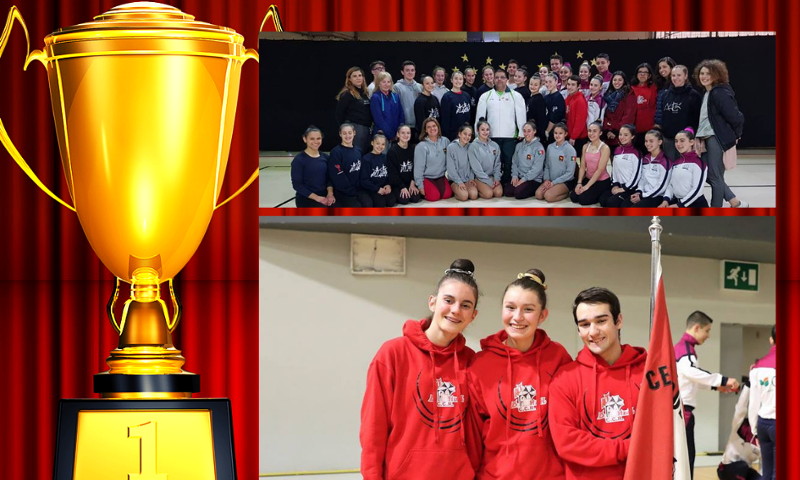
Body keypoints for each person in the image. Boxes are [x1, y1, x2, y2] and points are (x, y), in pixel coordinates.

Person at [360, 259, 481, 480]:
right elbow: (373, 429)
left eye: (465, 305)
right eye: (448, 300)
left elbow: (478, 433)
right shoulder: (393, 353)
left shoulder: (472, 362)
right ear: (433, 302)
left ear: (473, 315)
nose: (455, 310)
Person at [468, 269, 571, 480]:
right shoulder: (480, 365)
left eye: (528, 309)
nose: (517, 317)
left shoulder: (558, 357)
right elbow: (472, 439)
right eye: (510, 308)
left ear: (542, 315)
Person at [550, 287, 647, 480]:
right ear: (578, 330)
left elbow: (663, 431)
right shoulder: (565, 379)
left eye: (601, 321)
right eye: (584, 324)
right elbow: (568, 443)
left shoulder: (648, 373)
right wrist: (631, 448)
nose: (593, 332)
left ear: (618, 321)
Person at [674, 310, 741, 478]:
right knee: (686, 459)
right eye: (707, 330)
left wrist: (715, 387)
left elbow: (687, 379)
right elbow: (691, 372)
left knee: (684, 457)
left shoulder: (683, 348)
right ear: (697, 328)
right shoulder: (685, 351)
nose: (708, 335)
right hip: (683, 412)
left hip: (681, 410)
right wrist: (723, 380)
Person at [695, 59, 748, 208]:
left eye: (708, 74)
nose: (704, 76)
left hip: (715, 138)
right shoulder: (708, 92)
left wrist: (736, 135)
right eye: (702, 73)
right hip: (705, 138)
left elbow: (736, 117)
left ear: (717, 75)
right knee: (706, 173)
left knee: (716, 177)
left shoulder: (719, 93)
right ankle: (733, 201)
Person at [474, 68, 526, 185]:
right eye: (497, 77)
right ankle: (493, 183)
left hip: (510, 136)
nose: (499, 80)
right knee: (493, 162)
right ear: (493, 79)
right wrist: (478, 134)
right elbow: (480, 117)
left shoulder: (516, 95)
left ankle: (507, 184)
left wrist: (522, 133)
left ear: (507, 79)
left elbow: (521, 115)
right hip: (491, 137)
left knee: (508, 161)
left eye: (502, 77)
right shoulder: (485, 96)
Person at [654, 65, 701, 161]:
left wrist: (690, 135)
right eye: (673, 75)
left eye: (679, 75)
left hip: (685, 141)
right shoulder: (665, 95)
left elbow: (697, 119)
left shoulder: (693, 95)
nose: (676, 78)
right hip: (668, 140)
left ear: (685, 76)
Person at [748, 325, 776, 480]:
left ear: (771, 340)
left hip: (763, 423)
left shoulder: (757, 367)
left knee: (767, 471)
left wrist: (754, 429)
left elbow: (753, 402)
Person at [659, 128, 708, 208]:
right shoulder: (676, 163)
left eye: (682, 141)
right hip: (679, 203)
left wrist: (680, 205)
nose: (678, 144)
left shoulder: (699, 163)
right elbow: (671, 185)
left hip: (696, 205)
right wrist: (666, 200)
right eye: (676, 141)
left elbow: (697, 189)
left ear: (691, 142)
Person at [622, 129, 671, 208]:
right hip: (643, 193)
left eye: (651, 141)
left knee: (633, 210)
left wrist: (642, 196)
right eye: (646, 141)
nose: (647, 144)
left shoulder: (665, 161)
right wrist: (639, 191)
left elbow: (662, 186)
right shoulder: (646, 158)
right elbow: (642, 179)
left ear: (660, 142)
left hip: (657, 196)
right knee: (624, 205)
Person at [327, 123, 371, 207]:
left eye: (350, 133)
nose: (347, 136)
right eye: (344, 133)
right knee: (357, 209)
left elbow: (361, 171)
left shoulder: (358, 150)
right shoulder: (336, 152)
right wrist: (350, 191)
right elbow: (338, 176)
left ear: (354, 133)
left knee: (368, 204)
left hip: (358, 189)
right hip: (343, 191)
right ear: (340, 134)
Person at [290, 126, 335, 207]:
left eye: (318, 138)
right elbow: (297, 185)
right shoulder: (299, 160)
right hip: (307, 198)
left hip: (324, 195)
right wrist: (317, 198)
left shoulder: (325, 157)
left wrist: (330, 194)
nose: (316, 141)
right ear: (305, 139)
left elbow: (329, 179)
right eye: (312, 139)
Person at [599, 124, 641, 208]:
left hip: (630, 188)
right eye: (620, 134)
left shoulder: (636, 153)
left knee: (611, 203)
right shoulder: (617, 150)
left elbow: (637, 175)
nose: (622, 137)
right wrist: (615, 185)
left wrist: (624, 189)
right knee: (602, 200)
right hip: (618, 185)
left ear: (632, 136)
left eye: (626, 135)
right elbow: (614, 170)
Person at [570, 121, 611, 206]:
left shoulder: (605, 148)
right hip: (588, 178)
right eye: (589, 131)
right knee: (574, 197)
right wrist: (579, 183)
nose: (591, 133)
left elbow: (600, 170)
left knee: (583, 200)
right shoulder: (585, 146)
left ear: (600, 133)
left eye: (594, 131)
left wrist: (586, 187)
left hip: (601, 180)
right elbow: (582, 167)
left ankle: (603, 192)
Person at [535, 123, 576, 203]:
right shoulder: (550, 147)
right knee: (538, 195)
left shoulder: (570, 149)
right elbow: (547, 166)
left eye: (560, 133)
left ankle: (567, 193)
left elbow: (570, 173)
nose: (557, 136)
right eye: (555, 133)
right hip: (551, 180)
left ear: (565, 134)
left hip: (565, 181)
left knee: (548, 196)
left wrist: (554, 183)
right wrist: (546, 180)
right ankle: (553, 188)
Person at [336, 66, 373, 154]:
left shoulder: (365, 93)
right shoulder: (347, 94)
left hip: (366, 129)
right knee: (355, 155)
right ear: (349, 79)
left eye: (360, 75)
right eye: (355, 76)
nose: (358, 78)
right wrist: (347, 130)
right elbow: (339, 114)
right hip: (355, 129)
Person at [414, 117, 453, 201]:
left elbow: (450, 160)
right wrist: (420, 186)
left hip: (441, 176)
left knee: (447, 195)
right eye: (429, 127)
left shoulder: (445, 141)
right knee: (434, 197)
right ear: (425, 130)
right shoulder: (421, 146)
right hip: (428, 177)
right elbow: (418, 169)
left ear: (438, 127)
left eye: (434, 126)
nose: (432, 128)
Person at [505, 121, 546, 200]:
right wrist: (514, 175)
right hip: (520, 176)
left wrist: (524, 179)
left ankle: (532, 189)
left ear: (534, 131)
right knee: (507, 191)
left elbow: (537, 168)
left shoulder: (539, 148)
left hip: (533, 179)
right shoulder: (519, 145)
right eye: (524, 131)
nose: (526, 134)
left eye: (529, 131)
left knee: (518, 193)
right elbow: (515, 162)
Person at [386, 124, 421, 205]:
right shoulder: (392, 151)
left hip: (410, 182)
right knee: (404, 200)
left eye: (408, 133)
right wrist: (402, 187)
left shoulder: (413, 149)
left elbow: (416, 168)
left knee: (415, 198)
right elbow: (392, 173)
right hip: (398, 183)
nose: (406, 135)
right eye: (403, 133)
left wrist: (412, 183)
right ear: (398, 134)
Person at [469, 120, 503, 199]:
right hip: (479, 177)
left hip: (491, 176)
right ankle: (477, 189)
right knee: (488, 194)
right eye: (482, 129)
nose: (485, 132)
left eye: (487, 129)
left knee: (498, 193)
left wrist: (497, 178)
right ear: (477, 130)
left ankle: (488, 186)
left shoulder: (495, 145)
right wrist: (489, 182)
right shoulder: (473, 147)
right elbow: (476, 169)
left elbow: (497, 164)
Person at [360, 132, 396, 207]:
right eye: (377, 143)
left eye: (383, 144)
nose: (380, 146)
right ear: (372, 143)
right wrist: (377, 189)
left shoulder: (385, 157)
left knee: (391, 201)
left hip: (383, 187)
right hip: (372, 188)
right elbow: (364, 180)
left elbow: (389, 174)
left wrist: (388, 184)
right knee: (380, 204)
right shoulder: (366, 159)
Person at [602, 71, 636, 148]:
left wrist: (616, 131)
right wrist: (608, 130)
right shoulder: (608, 95)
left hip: (621, 135)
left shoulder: (629, 95)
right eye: (615, 80)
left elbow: (628, 116)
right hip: (608, 135)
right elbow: (605, 115)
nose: (617, 82)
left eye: (620, 80)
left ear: (624, 81)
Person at [447, 124, 479, 201]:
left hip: (467, 180)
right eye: (465, 134)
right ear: (459, 134)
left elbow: (472, 165)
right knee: (464, 196)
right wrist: (459, 182)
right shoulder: (451, 147)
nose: (467, 137)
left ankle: (464, 189)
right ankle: (454, 190)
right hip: (455, 180)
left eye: (469, 135)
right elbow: (451, 168)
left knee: (474, 195)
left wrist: (471, 178)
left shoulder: (471, 147)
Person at [630, 63, 657, 152]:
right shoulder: (631, 89)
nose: (642, 74)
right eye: (640, 72)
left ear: (649, 75)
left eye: (645, 72)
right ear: (636, 74)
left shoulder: (654, 88)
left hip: (650, 129)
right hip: (634, 130)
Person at [370, 71, 405, 141]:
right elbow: (378, 119)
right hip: (382, 135)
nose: (386, 84)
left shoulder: (395, 96)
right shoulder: (375, 97)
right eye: (384, 82)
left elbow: (401, 114)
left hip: (397, 135)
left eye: (388, 82)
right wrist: (390, 134)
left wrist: (399, 132)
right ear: (379, 83)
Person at [440, 71, 473, 141]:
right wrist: (446, 136)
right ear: (451, 80)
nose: (458, 81)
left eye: (460, 79)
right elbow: (445, 120)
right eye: (456, 78)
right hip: (453, 135)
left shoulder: (466, 95)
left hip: (466, 134)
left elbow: (469, 116)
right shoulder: (447, 97)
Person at [393, 60, 422, 138]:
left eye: (412, 70)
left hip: (419, 125)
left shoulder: (420, 87)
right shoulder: (397, 87)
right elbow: (395, 107)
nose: (410, 72)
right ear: (402, 72)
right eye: (407, 70)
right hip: (404, 125)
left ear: (415, 72)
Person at [564, 75, 589, 155]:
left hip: (579, 137)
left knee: (576, 161)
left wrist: (573, 137)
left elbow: (580, 121)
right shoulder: (569, 97)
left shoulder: (580, 100)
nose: (570, 87)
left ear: (579, 86)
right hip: (571, 135)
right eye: (568, 84)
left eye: (573, 85)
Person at [543, 73, 566, 144]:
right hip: (545, 127)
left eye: (550, 82)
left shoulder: (558, 97)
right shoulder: (546, 97)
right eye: (546, 82)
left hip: (554, 131)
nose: (548, 84)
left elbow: (554, 117)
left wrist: (547, 131)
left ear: (556, 82)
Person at [526, 75, 549, 147]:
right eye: (531, 84)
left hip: (536, 134)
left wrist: (539, 134)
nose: (532, 86)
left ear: (540, 85)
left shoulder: (539, 99)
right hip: (530, 131)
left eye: (536, 85)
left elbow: (541, 118)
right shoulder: (530, 98)